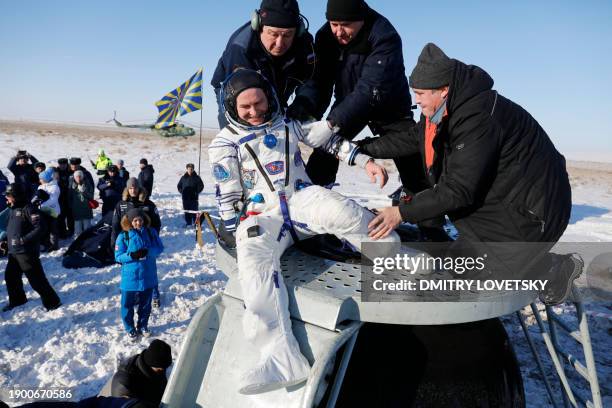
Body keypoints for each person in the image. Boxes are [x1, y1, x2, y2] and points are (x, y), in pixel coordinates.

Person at [208, 69, 398, 394]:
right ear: (232, 108)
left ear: (269, 97)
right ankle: (281, 357)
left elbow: (329, 142)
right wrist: (232, 229)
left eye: (259, 103)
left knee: (342, 209)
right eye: (246, 108)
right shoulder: (224, 143)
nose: (255, 112)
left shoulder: (287, 124)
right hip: (263, 214)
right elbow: (227, 192)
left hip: (301, 199)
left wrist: (365, 161)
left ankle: (390, 258)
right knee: (252, 259)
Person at [363, 43, 579, 305]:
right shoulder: (445, 110)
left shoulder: (477, 117)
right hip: (506, 203)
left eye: (420, 93)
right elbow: (412, 138)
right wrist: (360, 149)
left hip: (534, 213)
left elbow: (459, 189)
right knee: (454, 264)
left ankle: (551, 269)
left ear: (443, 90)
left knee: (470, 279)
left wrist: (401, 212)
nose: (416, 100)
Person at [211, 0, 315, 128]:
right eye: (273, 34)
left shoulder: (304, 44)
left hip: (278, 91)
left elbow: (312, 79)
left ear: (298, 30)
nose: (279, 43)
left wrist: (302, 102)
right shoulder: (241, 49)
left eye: (288, 35)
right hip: (234, 92)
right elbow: (245, 99)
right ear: (258, 26)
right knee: (241, 133)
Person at [1, 183, 61, 312]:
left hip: (26, 252)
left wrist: (23, 240)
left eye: (9, 196)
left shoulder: (29, 208)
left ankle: (53, 302)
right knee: (11, 277)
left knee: (36, 280)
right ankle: (18, 300)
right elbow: (14, 229)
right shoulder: (13, 209)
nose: (7, 199)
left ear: (16, 196)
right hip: (14, 252)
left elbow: (40, 228)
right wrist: (7, 241)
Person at [114, 209, 164, 339]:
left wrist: (148, 252)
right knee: (127, 305)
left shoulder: (151, 232)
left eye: (140, 220)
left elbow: (159, 248)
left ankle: (142, 325)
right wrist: (132, 255)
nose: (138, 223)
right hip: (130, 277)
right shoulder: (123, 236)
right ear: (130, 221)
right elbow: (118, 256)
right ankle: (129, 328)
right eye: (135, 220)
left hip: (148, 274)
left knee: (146, 304)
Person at [112, 178, 162, 307]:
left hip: (146, 243)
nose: (133, 190)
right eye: (130, 188)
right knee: (131, 272)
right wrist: (115, 243)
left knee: (150, 270)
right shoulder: (121, 205)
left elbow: (156, 223)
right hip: (129, 244)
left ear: (139, 188)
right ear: (127, 189)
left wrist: (152, 238)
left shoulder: (148, 204)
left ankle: (155, 295)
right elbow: (116, 225)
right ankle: (135, 295)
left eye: (135, 188)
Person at [110, 339, 173, 404]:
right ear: (151, 364)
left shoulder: (151, 366)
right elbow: (126, 404)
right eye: (160, 369)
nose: (163, 371)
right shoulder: (126, 384)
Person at [37, 168, 62, 252]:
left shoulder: (55, 187)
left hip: (53, 211)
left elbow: (53, 200)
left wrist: (40, 205)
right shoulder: (40, 186)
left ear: (45, 179)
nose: (39, 180)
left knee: (53, 228)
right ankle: (46, 243)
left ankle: (54, 245)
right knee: (45, 228)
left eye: (41, 179)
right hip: (43, 210)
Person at [69, 170, 94, 237]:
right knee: (77, 228)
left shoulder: (87, 184)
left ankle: (88, 241)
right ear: (74, 177)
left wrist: (84, 191)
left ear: (82, 177)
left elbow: (91, 196)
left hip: (86, 208)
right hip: (76, 209)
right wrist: (71, 206)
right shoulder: (71, 186)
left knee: (87, 227)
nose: (78, 178)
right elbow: (69, 197)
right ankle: (78, 240)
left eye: (80, 176)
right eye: (77, 177)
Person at [56, 158, 72, 238]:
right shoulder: (56, 172)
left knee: (70, 215)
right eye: (61, 164)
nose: (62, 166)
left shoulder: (70, 171)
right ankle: (62, 232)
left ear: (66, 164)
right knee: (61, 216)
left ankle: (71, 231)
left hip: (69, 196)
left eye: (64, 164)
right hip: (60, 197)